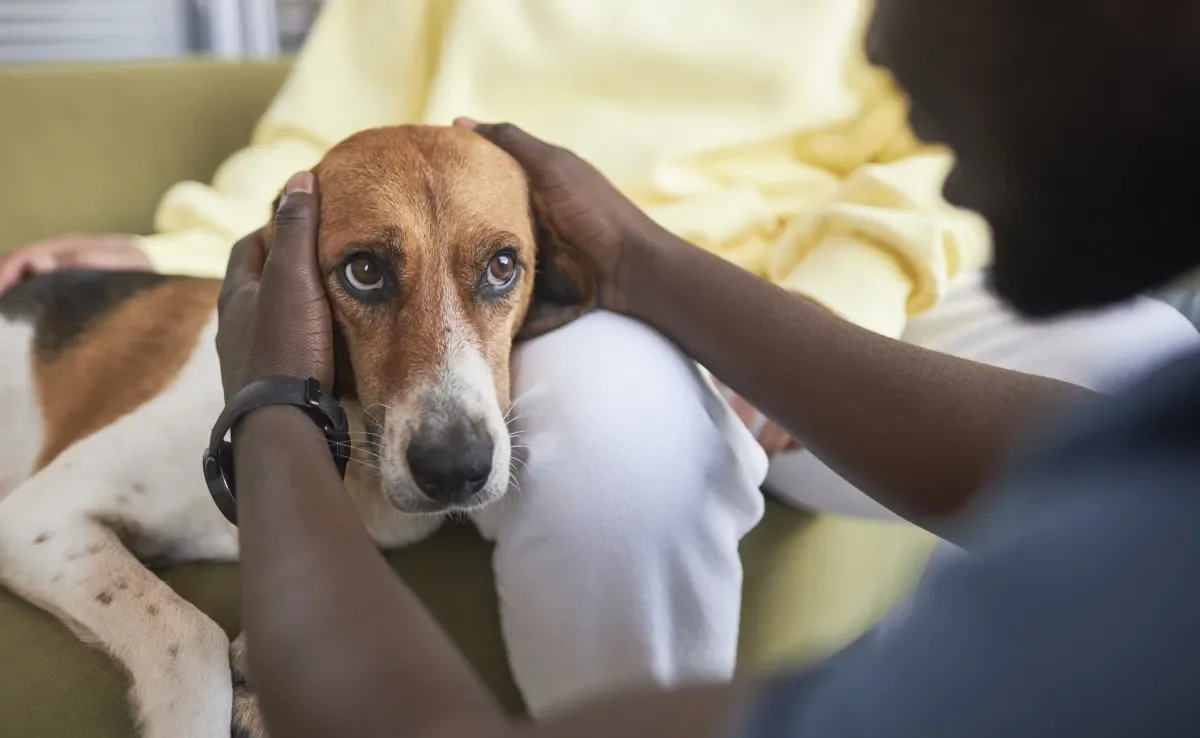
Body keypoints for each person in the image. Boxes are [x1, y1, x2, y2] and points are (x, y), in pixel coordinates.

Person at [4, 0, 1198, 710]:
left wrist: (822, 313)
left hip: (880, 257)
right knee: (615, 462)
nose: (881, 30)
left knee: (1144, 367)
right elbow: (343, 162)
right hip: (583, 291)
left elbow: (939, 144)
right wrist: (195, 248)